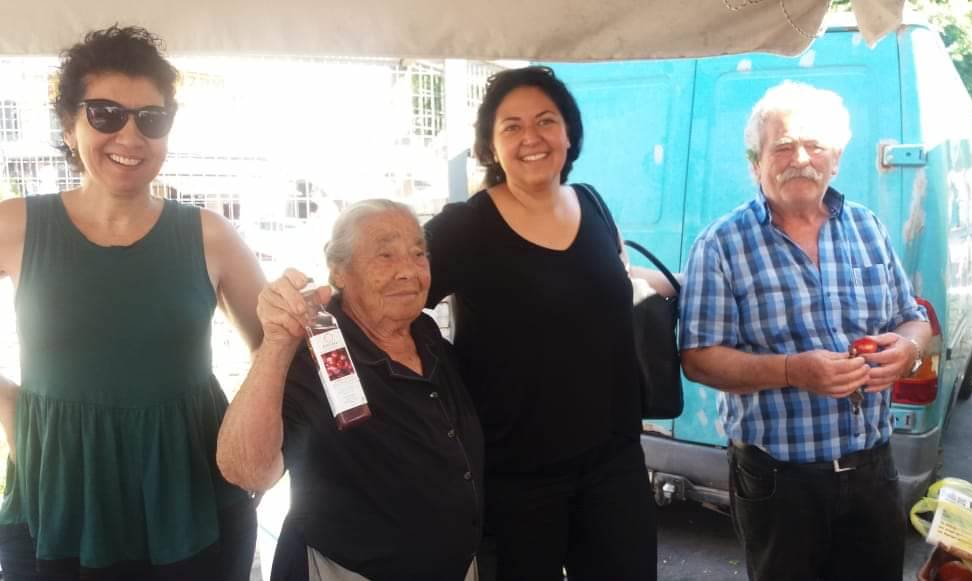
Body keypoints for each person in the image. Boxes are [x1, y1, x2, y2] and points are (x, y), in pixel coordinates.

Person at [0, 26, 265, 580]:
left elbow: (274, 351)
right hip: (59, 493)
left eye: (151, 118)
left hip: (192, 496)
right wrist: (11, 411)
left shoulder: (209, 235)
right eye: (105, 114)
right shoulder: (16, 225)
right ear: (69, 126)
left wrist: (249, 444)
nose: (130, 135)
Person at [679, 80, 932, 581]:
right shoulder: (722, 244)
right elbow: (699, 359)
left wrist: (908, 349)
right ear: (756, 163)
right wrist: (793, 371)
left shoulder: (868, 227)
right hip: (778, 481)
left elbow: (913, 318)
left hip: (872, 470)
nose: (800, 158)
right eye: (783, 146)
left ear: (835, 159)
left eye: (815, 145)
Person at [423, 66, 663, 581]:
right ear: (490, 146)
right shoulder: (466, 227)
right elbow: (395, 298)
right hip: (515, 481)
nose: (531, 137)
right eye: (511, 126)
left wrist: (683, 283)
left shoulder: (592, 204)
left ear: (568, 133)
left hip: (614, 465)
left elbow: (614, 280)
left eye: (546, 121)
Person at [217, 199, 484, 580]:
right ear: (338, 270)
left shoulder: (428, 338)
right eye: (385, 255)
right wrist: (276, 344)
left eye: (418, 254)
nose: (408, 271)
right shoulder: (315, 354)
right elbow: (247, 471)